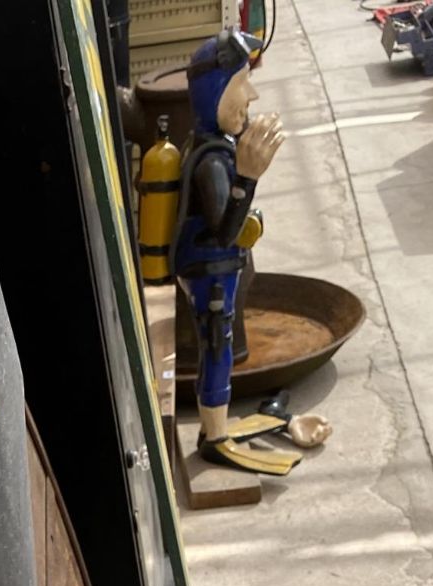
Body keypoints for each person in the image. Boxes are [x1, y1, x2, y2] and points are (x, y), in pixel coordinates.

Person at [173, 31, 331, 472]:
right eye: (243, 82)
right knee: (217, 347)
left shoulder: (215, 149)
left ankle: (216, 427)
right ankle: (215, 436)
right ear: (216, 92)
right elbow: (225, 231)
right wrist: (248, 177)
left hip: (221, 270)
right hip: (210, 272)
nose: (253, 94)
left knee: (219, 345)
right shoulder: (211, 162)